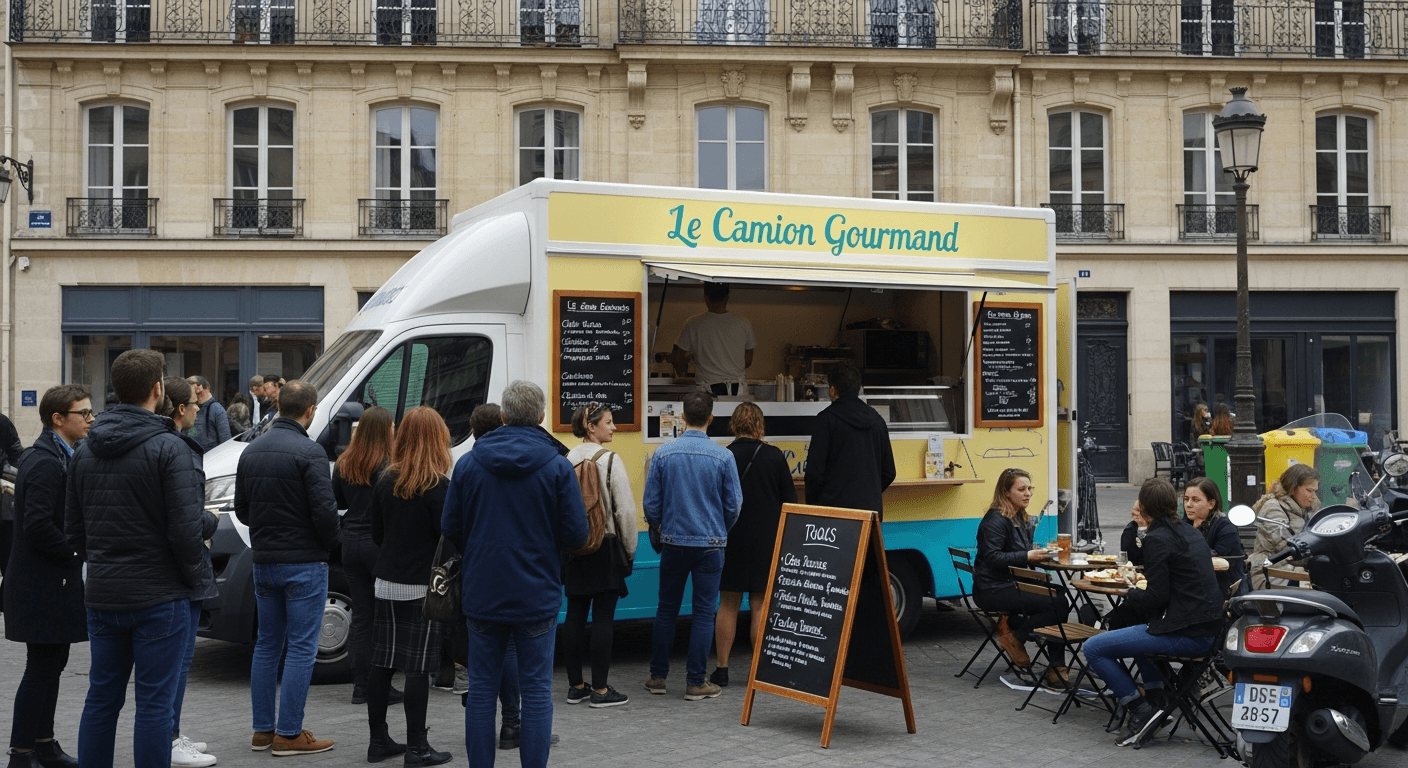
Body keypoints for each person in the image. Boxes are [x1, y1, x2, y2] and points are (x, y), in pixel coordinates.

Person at [65, 350, 209, 768]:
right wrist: (189, 576)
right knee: (154, 705)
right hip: (159, 596)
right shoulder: (170, 448)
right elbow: (185, 531)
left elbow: (75, 532)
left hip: (106, 592)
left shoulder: (85, 452)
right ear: (157, 390)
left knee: (101, 699)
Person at [442, 381, 588, 767]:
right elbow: (576, 534)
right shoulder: (557, 466)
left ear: (503, 416)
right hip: (536, 592)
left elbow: (450, 526)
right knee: (537, 691)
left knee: (483, 689)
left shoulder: (469, 464)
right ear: (541, 417)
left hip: (482, 592)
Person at [234, 380, 340, 756]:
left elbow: (242, 510)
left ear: (278, 406)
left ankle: (263, 730)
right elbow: (325, 513)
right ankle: (290, 733)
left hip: (265, 561)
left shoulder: (251, 450)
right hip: (305, 562)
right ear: (309, 411)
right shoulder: (310, 452)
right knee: (300, 648)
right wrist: (330, 542)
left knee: (266, 645)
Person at [1082, 478, 1225, 748]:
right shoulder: (1189, 530)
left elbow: (1155, 596)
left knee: (1093, 648)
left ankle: (1140, 709)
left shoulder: (1158, 538)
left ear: (1145, 507)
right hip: (1208, 629)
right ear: (1173, 504)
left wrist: (1130, 592)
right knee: (1135, 631)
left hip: (1190, 634)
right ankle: (1158, 699)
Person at [5, 385, 90, 768]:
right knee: (40, 670)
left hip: (52, 581)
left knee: (52, 666)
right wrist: (74, 555)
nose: (90, 420)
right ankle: (22, 753)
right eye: (83, 413)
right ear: (58, 418)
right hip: (41, 584)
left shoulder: (61, 456)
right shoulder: (44, 461)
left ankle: (44, 743)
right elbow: (37, 524)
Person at [365, 407, 454, 767]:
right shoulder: (438, 487)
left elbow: (376, 534)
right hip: (423, 588)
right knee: (417, 667)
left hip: (385, 582)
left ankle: (378, 742)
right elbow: (447, 541)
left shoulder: (386, 480)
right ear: (438, 439)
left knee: (382, 664)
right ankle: (417, 748)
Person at [642, 390, 742, 701]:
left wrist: (660, 529)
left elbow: (651, 504)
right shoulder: (724, 456)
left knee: (666, 610)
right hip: (710, 544)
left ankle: (658, 677)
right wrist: (718, 530)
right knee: (703, 612)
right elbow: (734, 504)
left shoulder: (663, 453)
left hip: (674, 541)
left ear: (683, 417)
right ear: (711, 418)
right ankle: (696, 682)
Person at [710, 402, 795, 688]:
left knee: (728, 603)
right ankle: (759, 670)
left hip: (730, 538)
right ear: (760, 425)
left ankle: (721, 668)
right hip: (766, 540)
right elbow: (790, 503)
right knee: (760, 604)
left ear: (734, 425)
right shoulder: (774, 456)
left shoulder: (723, 456)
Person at [159, 378, 220, 768]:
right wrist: (209, 522)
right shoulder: (176, 449)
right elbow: (183, 519)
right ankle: (167, 737)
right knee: (176, 663)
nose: (200, 410)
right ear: (180, 409)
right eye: (195, 405)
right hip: (181, 570)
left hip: (174, 568)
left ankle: (172, 731)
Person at [562, 402, 637, 709]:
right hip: (605, 547)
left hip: (576, 548)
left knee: (575, 615)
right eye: (608, 421)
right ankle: (602, 690)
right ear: (590, 426)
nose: (614, 427)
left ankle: (576, 686)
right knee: (603, 618)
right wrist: (629, 551)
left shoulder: (567, 459)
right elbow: (626, 512)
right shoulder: (610, 460)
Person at [971, 467, 1071, 689]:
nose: (1028, 494)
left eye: (1030, 489)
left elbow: (1020, 552)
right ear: (1006, 492)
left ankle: (1051, 660)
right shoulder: (996, 519)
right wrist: (1027, 555)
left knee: (1060, 595)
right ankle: (1018, 636)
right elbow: (992, 557)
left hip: (1009, 582)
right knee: (1058, 603)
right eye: (1022, 489)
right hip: (992, 588)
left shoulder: (1018, 516)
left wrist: (1040, 553)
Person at [333, 405, 397, 707]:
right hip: (378, 545)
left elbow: (338, 501)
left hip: (350, 544)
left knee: (361, 616)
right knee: (384, 616)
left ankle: (360, 684)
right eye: (393, 427)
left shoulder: (345, 462)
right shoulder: (388, 464)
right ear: (385, 430)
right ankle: (380, 686)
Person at [804, 361, 896, 520]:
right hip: (870, 514)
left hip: (834, 514)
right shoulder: (877, 420)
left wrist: (816, 506)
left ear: (832, 391)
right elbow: (889, 472)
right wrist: (868, 494)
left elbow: (814, 474)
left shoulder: (826, 420)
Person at [669, 282, 756, 396]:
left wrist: (692, 358)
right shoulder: (744, 324)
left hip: (707, 389)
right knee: (735, 414)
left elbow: (677, 358)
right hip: (737, 390)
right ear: (728, 297)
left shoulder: (693, 324)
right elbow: (748, 361)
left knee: (708, 414)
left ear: (705, 297)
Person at [1249, 463, 1321, 589]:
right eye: (1309, 490)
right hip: (1271, 572)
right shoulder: (1273, 508)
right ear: (1292, 488)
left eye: (1315, 491)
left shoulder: (1308, 509)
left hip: (1295, 569)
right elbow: (1286, 547)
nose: (1313, 497)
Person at [1182, 477, 1246, 596]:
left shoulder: (1225, 527)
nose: (1188, 505)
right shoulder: (1184, 524)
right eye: (1186, 499)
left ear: (1211, 504)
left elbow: (1217, 560)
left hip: (1222, 591)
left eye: (1195, 500)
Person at [185, 376, 231, 451]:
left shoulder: (216, 409)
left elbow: (226, 442)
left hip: (210, 459)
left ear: (201, 387)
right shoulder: (191, 408)